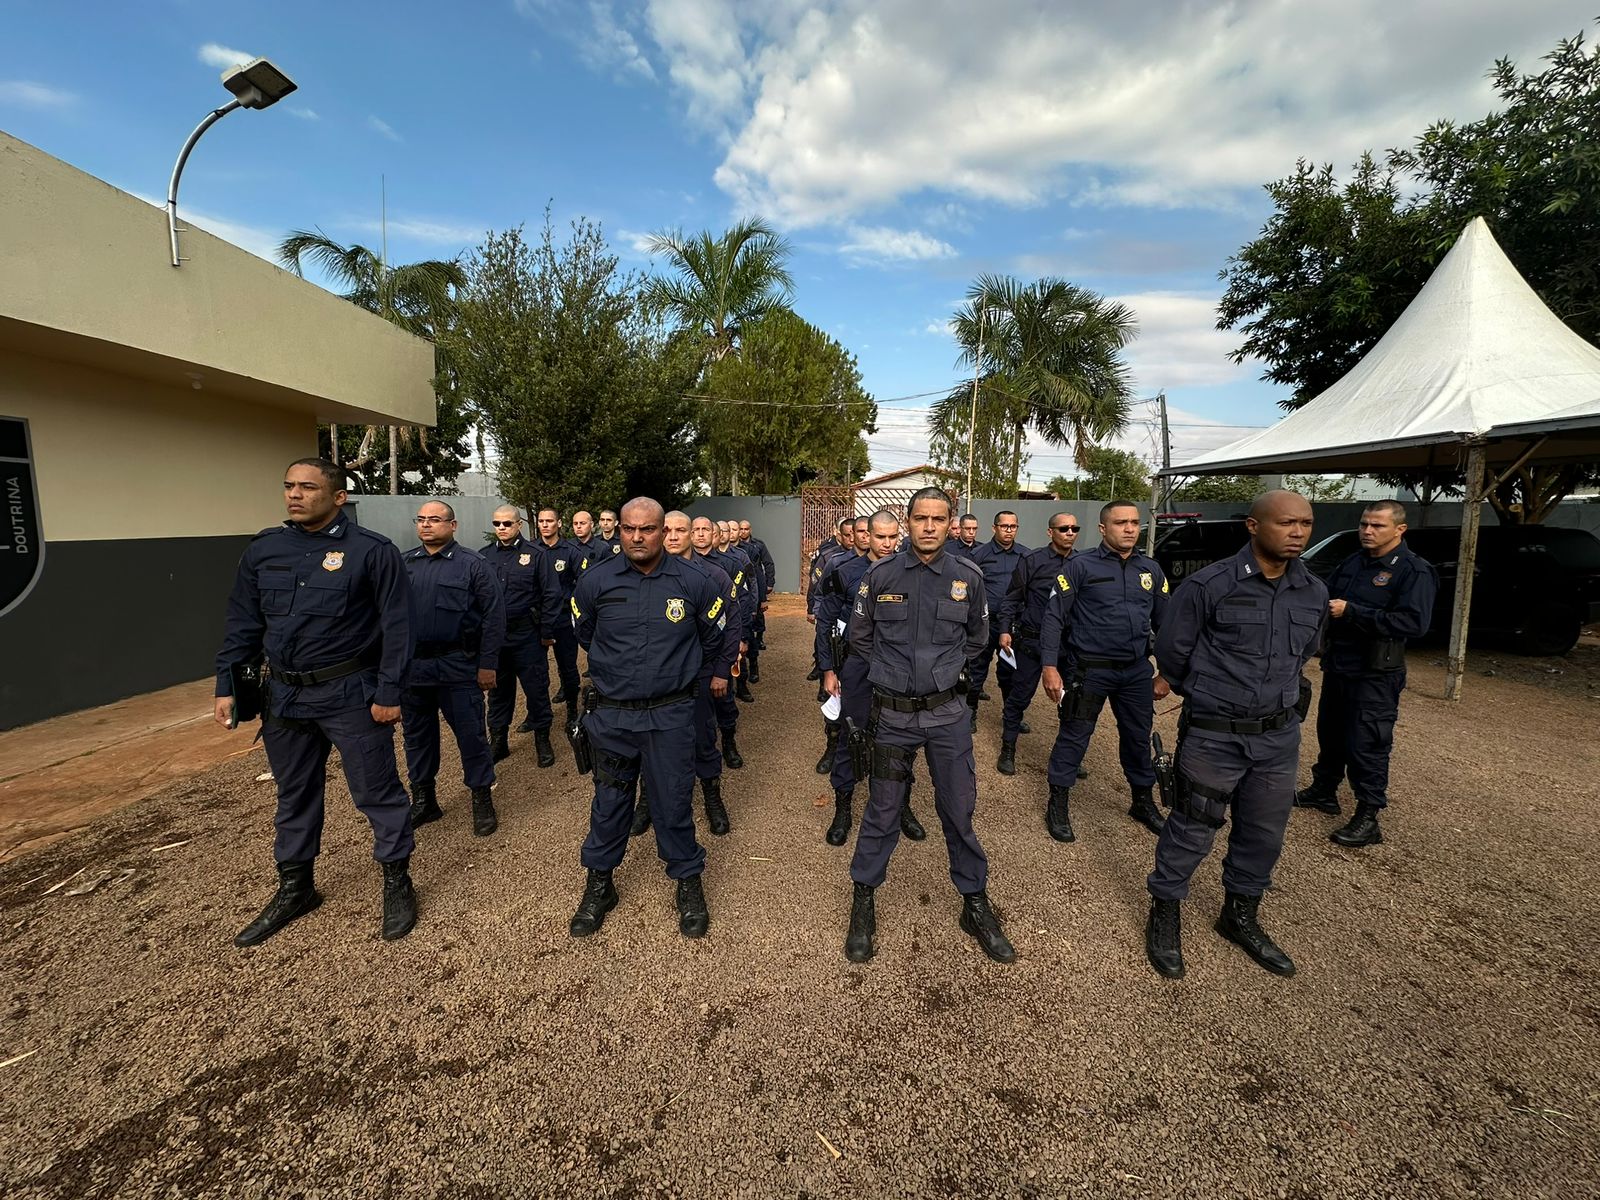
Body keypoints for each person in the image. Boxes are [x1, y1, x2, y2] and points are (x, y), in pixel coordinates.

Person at [213, 458, 417, 946]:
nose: (295, 495)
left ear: (339, 496)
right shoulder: (265, 550)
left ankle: (396, 880)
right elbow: (243, 621)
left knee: (376, 791)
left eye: (307, 487)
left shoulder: (372, 552)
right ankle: (296, 887)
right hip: (285, 696)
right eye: (289, 487)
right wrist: (227, 684)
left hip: (349, 693)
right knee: (294, 793)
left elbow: (399, 627)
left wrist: (390, 693)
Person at [1145, 490, 1327, 980]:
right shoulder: (1210, 585)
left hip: (1277, 737)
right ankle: (1165, 909)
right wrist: (1214, 691)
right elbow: (1174, 653)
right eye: (1286, 523)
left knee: (1264, 830)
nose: (1297, 532)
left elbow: (1306, 650)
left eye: (1306, 524)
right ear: (1253, 526)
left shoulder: (1311, 590)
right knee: (1193, 824)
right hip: (1215, 734)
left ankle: (1239, 914)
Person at [844, 487, 1015, 965]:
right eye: (921, 518)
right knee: (882, 809)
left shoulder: (968, 577)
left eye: (939, 519)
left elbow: (978, 638)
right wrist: (893, 674)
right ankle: (864, 898)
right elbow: (860, 636)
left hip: (947, 715)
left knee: (958, 809)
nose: (930, 527)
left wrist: (945, 674)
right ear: (908, 521)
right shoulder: (880, 575)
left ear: (950, 522)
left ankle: (973, 901)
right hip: (893, 715)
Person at [567, 497, 728, 940]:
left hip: (671, 716)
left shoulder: (696, 581)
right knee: (609, 804)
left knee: (674, 803)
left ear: (663, 531)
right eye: (629, 528)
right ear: (619, 530)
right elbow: (584, 634)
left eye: (648, 529)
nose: (638, 537)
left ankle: (687, 882)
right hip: (613, 719)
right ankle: (600, 886)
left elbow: (712, 640)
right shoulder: (595, 581)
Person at [1295, 499, 1438, 847]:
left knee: (1368, 742)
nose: (1367, 531)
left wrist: (1354, 612)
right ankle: (1324, 790)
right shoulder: (1354, 562)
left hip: (1375, 672)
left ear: (1399, 530)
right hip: (1340, 665)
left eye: (1377, 526)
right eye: (1364, 524)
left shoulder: (1412, 570)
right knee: (1330, 732)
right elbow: (1326, 598)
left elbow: (1414, 623)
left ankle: (1368, 813)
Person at [1038, 503, 1169, 841]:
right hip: (1089, 671)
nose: (1129, 529)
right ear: (1102, 528)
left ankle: (1142, 801)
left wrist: (1167, 673)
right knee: (1074, 735)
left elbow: (1167, 625)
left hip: (1135, 672)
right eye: (1120, 522)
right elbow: (1053, 618)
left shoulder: (1151, 570)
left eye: (1134, 523)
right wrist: (1049, 667)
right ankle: (1059, 802)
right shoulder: (1080, 567)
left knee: (1138, 739)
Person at [817, 511, 926, 847]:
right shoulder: (844, 571)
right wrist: (828, 670)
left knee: (903, 739)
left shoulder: (914, 571)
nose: (888, 543)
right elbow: (827, 621)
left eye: (894, 537)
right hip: (859, 665)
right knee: (853, 734)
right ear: (866, 536)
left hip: (902, 669)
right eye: (880, 537)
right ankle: (843, 807)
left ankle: (903, 804)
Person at [400, 502, 506, 836]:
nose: (427, 525)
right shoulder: (405, 564)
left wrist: (488, 664)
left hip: (458, 664)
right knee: (417, 736)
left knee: (471, 734)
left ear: (453, 525)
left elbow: (493, 616)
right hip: (414, 667)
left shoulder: (473, 565)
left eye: (435, 519)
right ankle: (424, 798)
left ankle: (481, 796)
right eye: (421, 519)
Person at [639, 510, 739, 839]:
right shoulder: (641, 575)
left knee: (701, 739)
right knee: (648, 742)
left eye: (680, 530)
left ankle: (712, 796)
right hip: (651, 680)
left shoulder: (713, 576)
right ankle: (647, 801)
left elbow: (730, 625)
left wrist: (722, 670)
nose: (672, 536)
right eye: (665, 529)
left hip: (697, 675)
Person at [994, 512, 1082, 775]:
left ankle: (1067, 756)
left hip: (1070, 644)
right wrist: (1004, 629)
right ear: (1050, 532)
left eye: (1074, 528)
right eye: (1063, 528)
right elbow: (1012, 598)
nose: (1070, 532)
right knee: (1018, 698)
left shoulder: (1083, 563)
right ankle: (1008, 749)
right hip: (1033, 642)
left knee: (1072, 702)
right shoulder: (1032, 561)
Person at [484, 506, 562, 767]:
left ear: (518, 525)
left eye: (507, 523)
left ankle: (542, 739)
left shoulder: (536, 555)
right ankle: (499, 741)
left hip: (527, 634)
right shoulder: (484, 557)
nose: (502, 528)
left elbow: (552, 594)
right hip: (497, 638)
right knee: (497, 693)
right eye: (497, 523)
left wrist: (546, 631)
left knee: (536, 688)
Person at [692, 516, 753, 768]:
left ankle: (728, 742)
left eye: (705, 529)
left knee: (724, 700)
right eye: (695, 530)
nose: (700, 534)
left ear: (714, 534)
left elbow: (739, 605)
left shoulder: (728, 564)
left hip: (720, 645)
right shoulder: (675, 565)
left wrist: (741, 639)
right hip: (694, 648)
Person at [812, 517, 870, 774]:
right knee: (836, 705)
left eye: (871, 532)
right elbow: (824, 602)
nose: (866, 537)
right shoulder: (838, 564)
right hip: (843, 645)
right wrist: (827, 665)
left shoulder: (893, 567)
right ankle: (832, 747)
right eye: (861, 532)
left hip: (872, 650)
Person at [967, 511, 1030, 731]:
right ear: (994, 528)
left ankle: (1011, 717)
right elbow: (969, 589)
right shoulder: (979, 554)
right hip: (986, 624)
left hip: (1012, 627)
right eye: (1004, 526)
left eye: (1013, 526)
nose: (1009, 530)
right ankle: (970, 713)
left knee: (1010, 673)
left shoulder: (1025, 556)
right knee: (976, 670)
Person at [536, 508, 582, 724]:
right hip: (538, 619)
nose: (545, 525)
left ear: (559, 523)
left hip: (563, 617)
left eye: (549, 521)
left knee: (567, 665)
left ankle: (573, 707)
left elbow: (582, 583)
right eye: (541, 521)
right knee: (535, 670)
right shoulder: (531, 550)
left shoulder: (571, 551)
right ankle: (536, 712)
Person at [738, 519, 776, 664]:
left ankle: (759, 637)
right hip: (742, 580)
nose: (743, 531)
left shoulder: (758, 545)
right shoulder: (735, 547)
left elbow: (768, 563)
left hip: (756, 579)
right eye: (740, 529)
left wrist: (769, 582)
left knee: (759, 610)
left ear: (750, 530)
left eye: (745, 529)